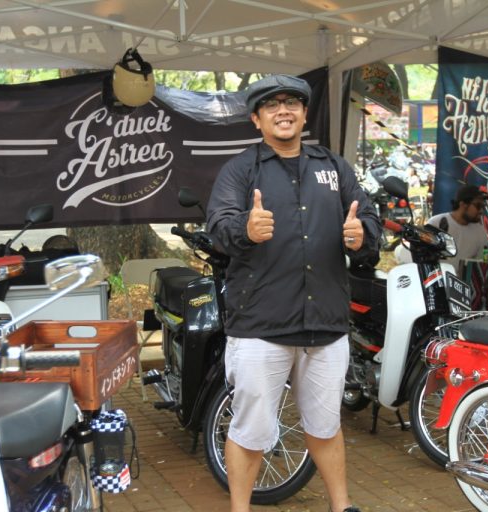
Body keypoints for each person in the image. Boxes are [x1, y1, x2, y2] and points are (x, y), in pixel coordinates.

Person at [206, 74, 382, 512]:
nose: (283, 111)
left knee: (326, 426)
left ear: (304, 115)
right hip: (261, 325)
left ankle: (342, 507)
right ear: (256, 119)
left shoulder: (334, 167)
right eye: (271, 105)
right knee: (250, 432)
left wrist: (362, 235)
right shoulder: (240, 170)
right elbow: (218, 228)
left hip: (325, 323)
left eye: (292, 104)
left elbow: (369, 220)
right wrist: (245, 229)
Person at [426, 184, 488, 268]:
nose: (481, 211)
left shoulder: (480, 232)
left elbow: (481, 265)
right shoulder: (435, 223)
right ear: (463, 204)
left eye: (483, 206)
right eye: (478, 206)